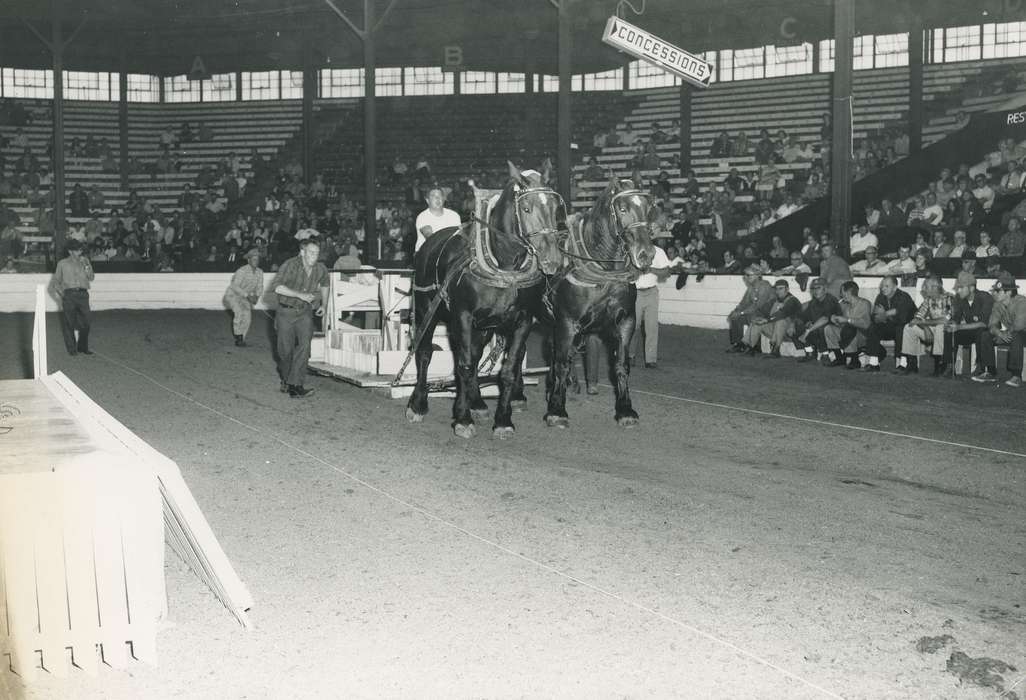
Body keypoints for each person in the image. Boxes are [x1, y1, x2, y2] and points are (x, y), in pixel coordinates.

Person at [272, 238, 329, 398]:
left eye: (317, 253)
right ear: (302, 252)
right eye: (311, 252)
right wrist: (300, 295)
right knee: (285, 351)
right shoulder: (290, 265)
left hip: (304, 313)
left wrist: (325, 304)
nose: (315, 256)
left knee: (304, 346)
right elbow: (277, 287)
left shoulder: (320, 268)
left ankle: (296, 386)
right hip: (285, 312)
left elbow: (325, 284)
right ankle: (286, 378)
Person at [973, 272, 1026, 386]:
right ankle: (990, 372)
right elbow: (991, 324)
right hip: (1011, 333)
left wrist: (1003, 333)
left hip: (1022, 333)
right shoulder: (998, 304)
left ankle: (1016, 375)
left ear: (1008, 292)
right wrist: (998, 333)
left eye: (998, 291)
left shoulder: (1022, 302)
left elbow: (1019, 325)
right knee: (986, 334)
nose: (994, 293)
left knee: (1016, 335)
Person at [942, 271, 994, 379]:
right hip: (971, 331)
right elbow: (956, 319)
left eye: (961, 287)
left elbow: (983, 323)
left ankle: (984, 369)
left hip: (989, 332)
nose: (958, 290)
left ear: (971, 288)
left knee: (982, 333)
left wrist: (959, 327)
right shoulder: (959, 299)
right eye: (958, 288)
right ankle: (950, 366)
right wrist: (951, 324)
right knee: (950, 332)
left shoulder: (985, 297)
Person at [899, 275, 953, 376]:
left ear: (935, 287)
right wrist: (926, 327)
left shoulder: (949, 298)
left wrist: (924, 323)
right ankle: (912, 364)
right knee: (909, 327)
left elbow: (945, 320)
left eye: (926, 286)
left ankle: (940, 366)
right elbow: (917, 317)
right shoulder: (928, 300)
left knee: (940, 327)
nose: (923, 289)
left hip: (949, 332)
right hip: (932, 329)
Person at [630, 243, 671, 368]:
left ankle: (651, 359)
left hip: (651, 292)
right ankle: (630, 355)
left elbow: (666, 272)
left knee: (652, 326)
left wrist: (650, 269)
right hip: (635, 291)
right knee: (634, 326)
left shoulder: (658, 251)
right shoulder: (631, 250)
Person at [863, 275, 916, 372]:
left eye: (887, 286)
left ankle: (903, 364)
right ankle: (874, 363)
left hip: (906, 329)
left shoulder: (904, 297)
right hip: (889, 326)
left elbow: (903, 319)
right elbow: (875, 317)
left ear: (895, 287)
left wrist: (885, 314)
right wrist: (888, 314)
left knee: (901, 328)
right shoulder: (881, 297)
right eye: (882, 286)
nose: (883, 288)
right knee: (873, 327)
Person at [52, 239, 95, 356]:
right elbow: (56, 281)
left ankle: (82, 346)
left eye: (81, 249)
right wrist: (62, 294)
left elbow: (91, 277)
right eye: (77, 250)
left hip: (83, 295)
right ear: (70, 251)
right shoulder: (62, 263)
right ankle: (72, 349)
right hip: (69, 295)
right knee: (68, 323)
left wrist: (86, 265)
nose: (80, 252)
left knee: (87, 322)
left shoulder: (85, 261)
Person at [725, 265, 774, 353]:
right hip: (758, 311)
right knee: (736, 318)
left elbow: (757, 305)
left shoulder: (764, 285)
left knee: (751, 316)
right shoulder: (751, 287)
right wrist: (735, 311)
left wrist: (741, 313)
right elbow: (743, 303)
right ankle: (738, 344)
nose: (746, 277)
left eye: (748, 275)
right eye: (745, 275)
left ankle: (755, 345)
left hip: (768, 314)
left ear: (757, 275)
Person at [746, 280, 801, 358]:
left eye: (781, 288)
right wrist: (756, 317)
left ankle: (776, 350)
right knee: (757, 322)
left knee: (780, 321)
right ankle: (750, 348)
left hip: (790, 331)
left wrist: (767, 320)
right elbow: (762, 310)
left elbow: (782, 313)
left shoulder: (792, 300)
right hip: (775, 330)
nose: (778, 291)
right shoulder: (774, 300)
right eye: (776, 289)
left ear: (787, 289)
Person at [824, 280, 872, 368]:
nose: (841, 295)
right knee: (829, 328)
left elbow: (866, 324)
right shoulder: (847, 307)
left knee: (850, 329)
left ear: (848, 292)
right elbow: (844, 325)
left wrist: (847, 320)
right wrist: (836, 320)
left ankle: (854, 360)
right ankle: (839, 358)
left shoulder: (865, 304)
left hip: (862, 336)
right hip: (849, 333)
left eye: (842, 292)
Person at [793, 278, 841, 363]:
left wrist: (808, 331)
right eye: (813, 288)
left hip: (833, 330)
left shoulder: (830, 300)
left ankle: (826, 355)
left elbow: (825, 319)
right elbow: (804, 316)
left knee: (821, 327)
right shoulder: (814, 301)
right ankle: (809, 352)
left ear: (825, 289)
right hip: (817, 327)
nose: (815, 291)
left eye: (818, 288)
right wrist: (796, 323)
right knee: (799, 323)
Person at [224, 249, 265, 347]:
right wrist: (248, 296)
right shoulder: (242, 271)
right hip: (233, 296)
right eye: (254, 259)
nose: (256, 261)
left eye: (257, 259)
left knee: (247, 316)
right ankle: (238, 337)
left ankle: (242, 337)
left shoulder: (260, 272)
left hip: (245, 298)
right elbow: (234, 286)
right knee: (239, 313)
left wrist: (257, 296)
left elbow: (260, 286)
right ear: (249, 260)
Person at [414, 186, 461, 253]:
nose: (437, 198)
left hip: (449, 252)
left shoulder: (454, 216)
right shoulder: (422, 217)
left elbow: (458, 238)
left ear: (444, 199)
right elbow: (431, 239)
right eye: (433, 196)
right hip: (425, 254)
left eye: (440, 196)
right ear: (427, 200)